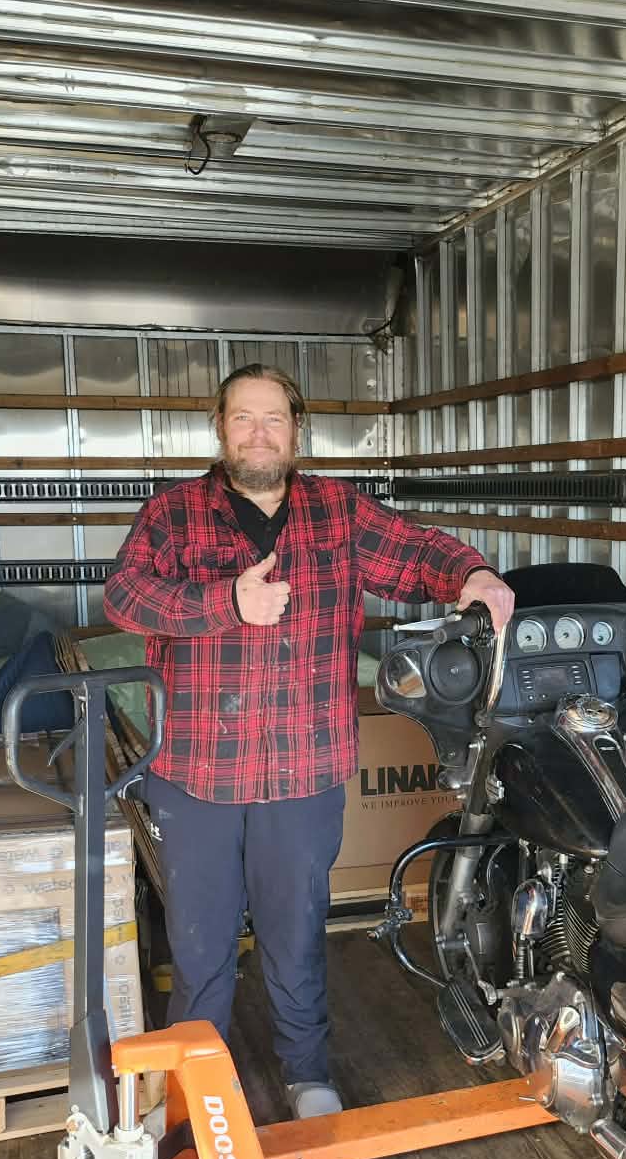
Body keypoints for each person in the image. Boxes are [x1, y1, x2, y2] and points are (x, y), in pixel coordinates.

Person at [103, 362, 513, 1118]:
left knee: (295, 936)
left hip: (305, 768)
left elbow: (419, 552)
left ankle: (305, 1071)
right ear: (219, 428)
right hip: (198, 772)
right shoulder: (172, 513)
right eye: (242, 418)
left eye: (274, 419)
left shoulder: (340, 512)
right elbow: (126, 595)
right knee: (199, 946)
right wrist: (225, 600)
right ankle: (197, 1089)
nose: (258, 434)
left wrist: (475, 574)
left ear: (296, 431)